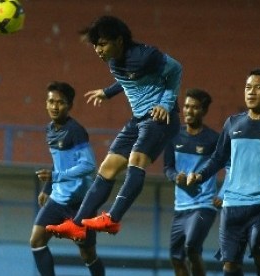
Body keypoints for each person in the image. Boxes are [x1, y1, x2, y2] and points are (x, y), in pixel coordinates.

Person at [46, 15, 182, 241]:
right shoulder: (113, 60)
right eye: (95, 45)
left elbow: (176, 69)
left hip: (160, 118)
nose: (98, 50)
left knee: (136, 161)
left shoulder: (145, 56)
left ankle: (113, 218)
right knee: (107, 168)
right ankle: (78, 224)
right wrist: (107, 92)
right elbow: (130, 78)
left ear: (119, 41)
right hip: (139, 119)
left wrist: (165, 104)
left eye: (102, 44)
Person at [186, 68, 260, 276]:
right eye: (248, 87)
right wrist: (201, 175)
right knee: (229, 265)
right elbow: (218, 158)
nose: (251, 92)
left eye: (258, 88)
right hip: (232, 205)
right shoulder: (233, 123)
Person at [29, 81, 105, 276]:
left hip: (81, 203)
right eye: (51, 101)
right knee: (37, 241)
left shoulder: (76, 131)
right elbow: (59, 162)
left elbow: (88, 166)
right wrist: (48, 187)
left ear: (69, 105)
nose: (54, 106)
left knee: (87, 253)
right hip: (58, 199)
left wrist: (55, 177)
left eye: (60, 102)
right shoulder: (50, 130)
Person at [163, 88, 225, 276]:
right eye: (187, 106)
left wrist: (222, 194)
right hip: (181, 207)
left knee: (191, 247)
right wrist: (176, 177)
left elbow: (231, 168)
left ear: (204, 111)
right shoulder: (173, 136)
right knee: (175, 257)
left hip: (204, 205)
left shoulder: (214, 139)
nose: (189, 111)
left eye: (195, 108)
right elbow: (168, 168)